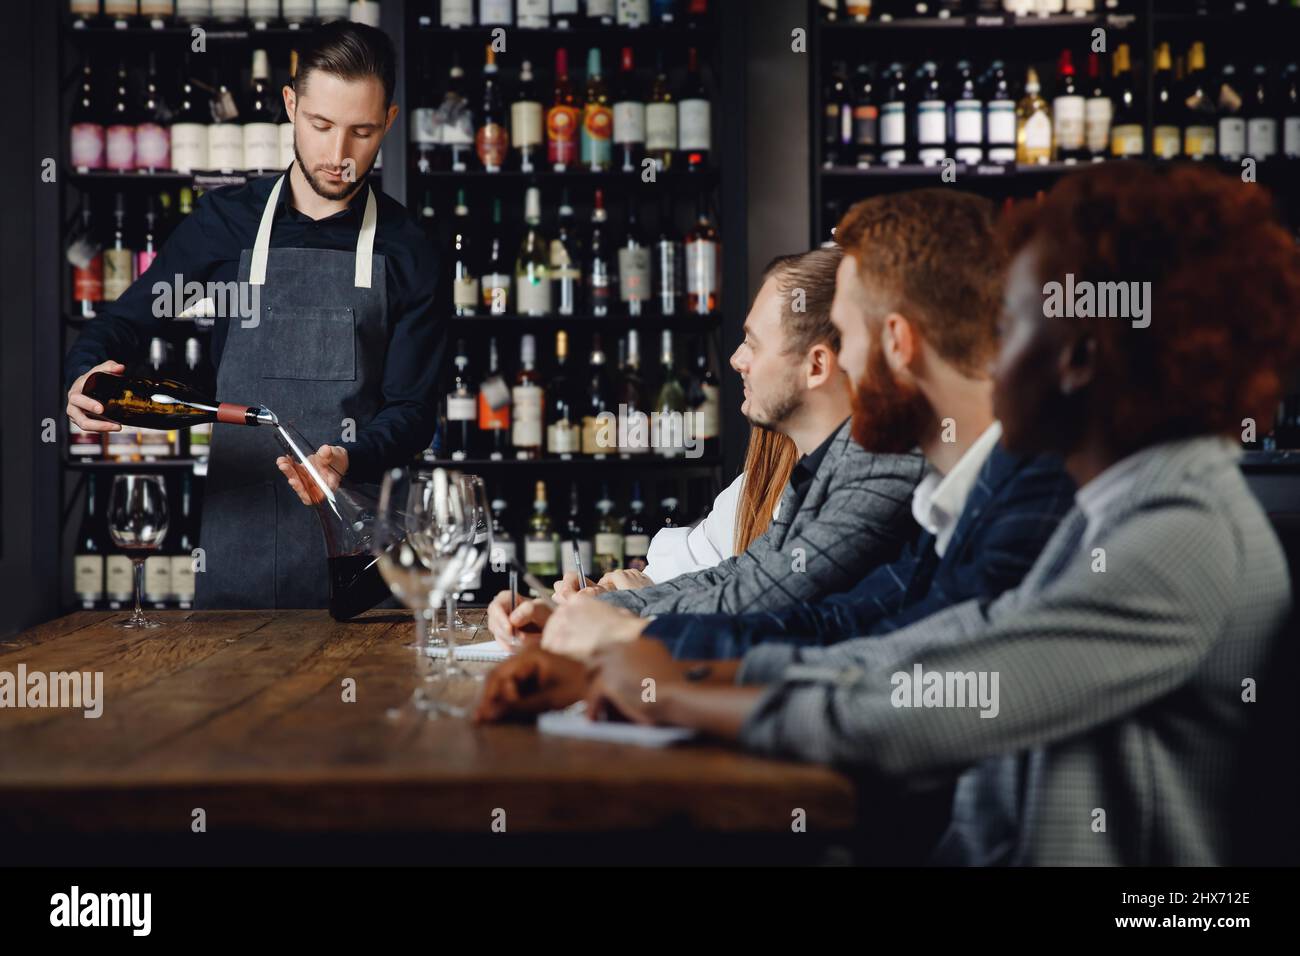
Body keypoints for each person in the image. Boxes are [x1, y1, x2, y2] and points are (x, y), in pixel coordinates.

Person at [476, 163, 1300, 866]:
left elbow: (934, 703)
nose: (981, 345)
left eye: (1008, 321)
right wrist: (644, 673)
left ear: (1082, 356)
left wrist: (668, 691)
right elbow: (922, 648)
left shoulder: (1179, 529)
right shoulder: (1115, 507)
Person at [585, 189, 1077, 661]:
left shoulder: (1029, 494)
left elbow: (900, 674)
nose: (844, 365)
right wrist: (623, 625)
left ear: (897, 343)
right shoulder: (954, 494)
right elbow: (843, 625)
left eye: (847, 337)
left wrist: (639, 638)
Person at [63, 23, 443, 609]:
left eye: (361, 132)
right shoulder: (226, 222)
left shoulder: (410, 248)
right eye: (320, 126)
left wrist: (350, 456)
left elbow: (413, 411)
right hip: (235, 539)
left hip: (362, 544)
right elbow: (126, 321)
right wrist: (86, 369)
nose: (338, 155)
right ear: (291, 106)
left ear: (388, 122)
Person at [487, 246, 926, 640]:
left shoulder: (878, 461)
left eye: (753, 343)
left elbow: (762, 597)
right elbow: (742, 574)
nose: (735, 359)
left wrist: (613, 623)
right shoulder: (819, 466)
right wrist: (583, 609)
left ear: (816, 367)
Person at [601, 426, 798, 593]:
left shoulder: (816, 499)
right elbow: (689, 564)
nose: (741, 377)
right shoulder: (752, 487)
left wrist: (645, 601)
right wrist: (608, 594)